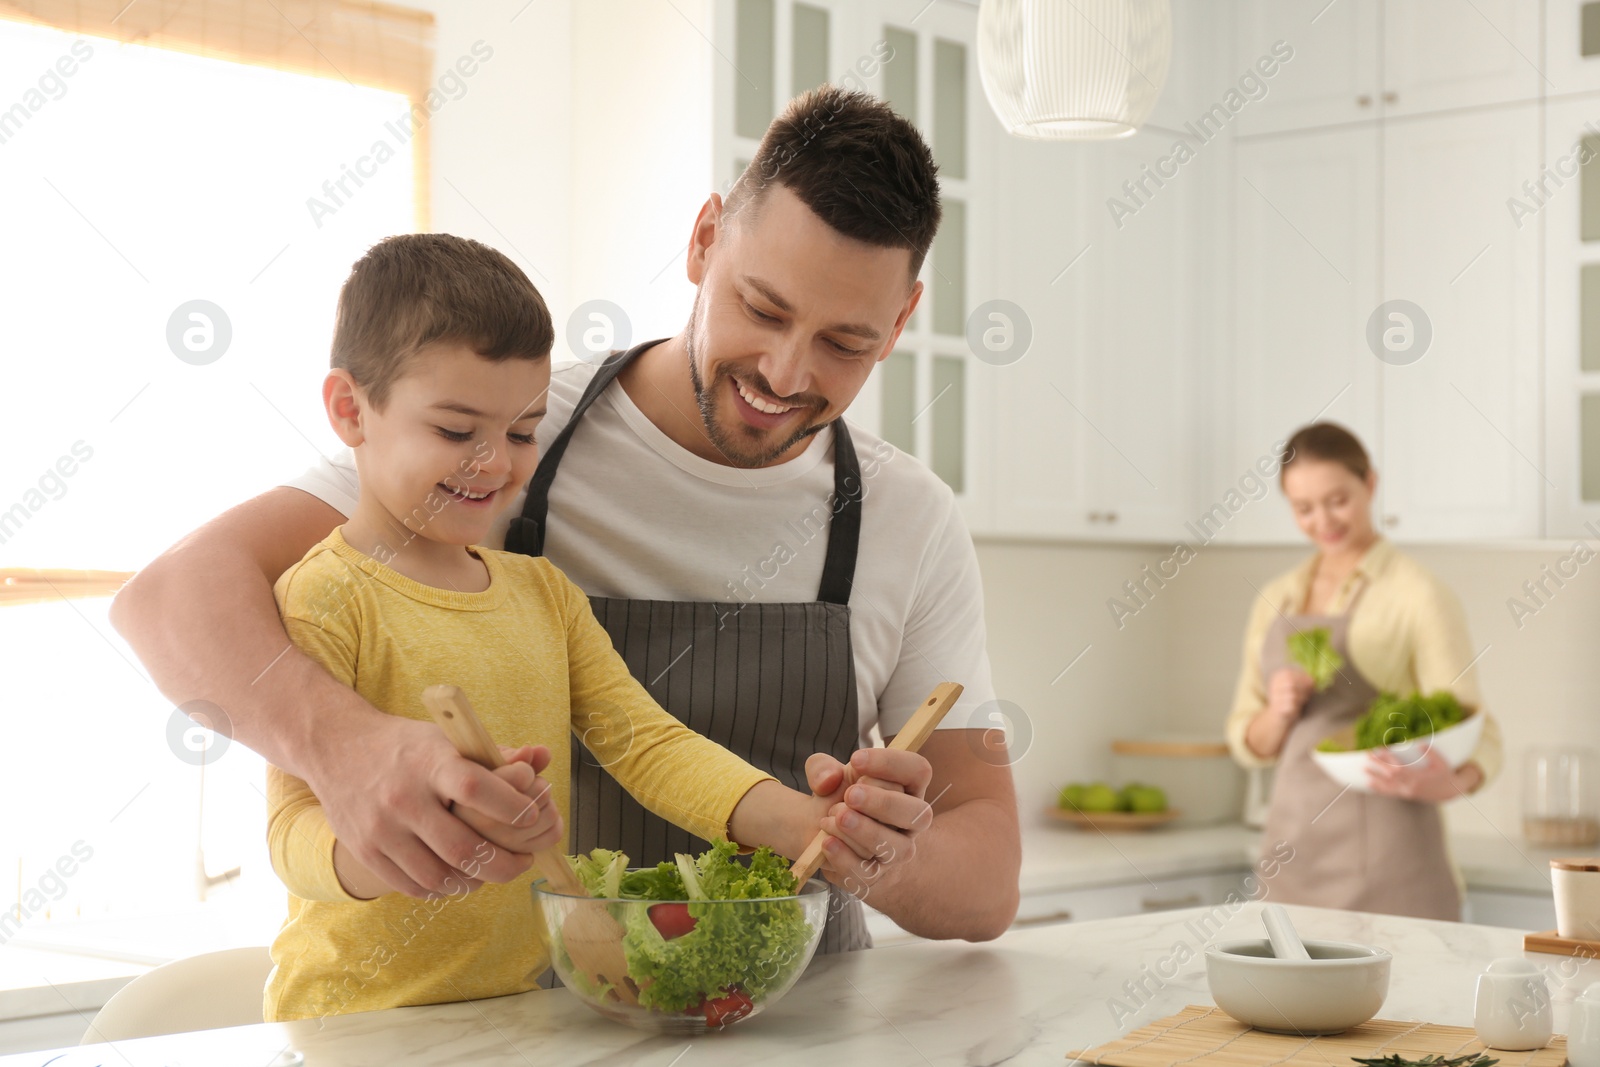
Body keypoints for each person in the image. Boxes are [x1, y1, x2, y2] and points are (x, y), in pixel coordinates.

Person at [109, 86, 1021, 948]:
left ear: (899, 323)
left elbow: (989, 883)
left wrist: (886, 854)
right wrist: (345, 750)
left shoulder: (910, 517)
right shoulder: (499, 441)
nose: (784, 373)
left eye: (844, 342)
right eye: (762, 307)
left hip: (805, 1017)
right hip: (539, 1013)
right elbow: (168, 598)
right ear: (704, 241)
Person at [263, 233, 834, 1020]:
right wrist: (401, 846)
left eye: (524, 431)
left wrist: (804, 818)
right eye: (458, 432)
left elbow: (647, 742)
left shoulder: (545, 595)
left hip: (523, 1014)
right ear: (349, 409)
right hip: (357, 1023)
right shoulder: (325, 597)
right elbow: (290, 833)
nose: (496, 463)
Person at [1225, 422, 1503, 920]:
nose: (1322, 520)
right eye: (1303, 508)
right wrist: (1279, 712)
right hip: (1292, 854)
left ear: (1370, 484)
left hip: (1391, 861)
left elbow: (1479, 728)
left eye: (1338, 500)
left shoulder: (1418, 594)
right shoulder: (1276, 597)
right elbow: (1249, 743)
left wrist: (1450, 783)